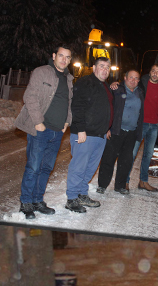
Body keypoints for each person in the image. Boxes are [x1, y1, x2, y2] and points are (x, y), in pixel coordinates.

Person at [14, 43, 74, 219]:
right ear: (54, 56)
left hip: (58, 131)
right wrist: (38, 122)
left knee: (46, 167)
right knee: (34, 167)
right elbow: (30, 96)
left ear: (70, 60)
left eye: (67, 57)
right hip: (41, 129)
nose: (64, 59)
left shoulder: (69, 78)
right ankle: (26, 202)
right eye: (61, 55)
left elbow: (69, 102)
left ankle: (37, 200)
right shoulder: (41, 72)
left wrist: (67, 121)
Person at [66, 56, 113, 213]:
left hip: (100, 135)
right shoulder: (85, 82)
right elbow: (77, 106)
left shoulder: (105, 86)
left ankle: (81, 194)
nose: (105, 70)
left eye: (107, 67)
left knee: (90, 168)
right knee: (78, 167)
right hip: (85, 134)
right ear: (94, 68)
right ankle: (72, 198)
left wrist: (107, 127)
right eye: (102, 66)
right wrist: (80, 129)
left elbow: (105, 108)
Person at [97, 69, 144, 195]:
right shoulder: (117, 90)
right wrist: (107, 128)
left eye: (136, 78)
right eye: (131, 77)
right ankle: (102, 185)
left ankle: (120, 186)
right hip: (116, 131)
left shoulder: (140, 92)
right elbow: (107, 108)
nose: (133, 80)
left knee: (125, 161)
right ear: (125, 78)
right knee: (108, 159)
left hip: (131, 133)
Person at [131, 64, 158, 192]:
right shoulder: (141, 83)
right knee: (132, 153)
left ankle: (143, 181)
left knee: (148, 155)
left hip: (154, 126)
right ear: (150, 72)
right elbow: (128, 85)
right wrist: (116, 84)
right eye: (153, 71)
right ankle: (125, 181)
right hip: (141, 124)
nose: (155, 73)